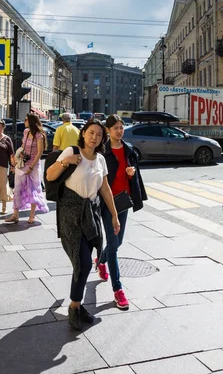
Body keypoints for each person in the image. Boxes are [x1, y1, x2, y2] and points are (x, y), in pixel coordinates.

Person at [46, 119, 120, 331]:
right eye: (91, 133)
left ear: (102, 138)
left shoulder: (100, 160)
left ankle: (77, 306)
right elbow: (50, 176)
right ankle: (74, 306)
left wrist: (114, 216)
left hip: (90, 214)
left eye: (98, 134)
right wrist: (66, 161)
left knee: (84, 262)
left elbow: (105, 189)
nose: (94, 137)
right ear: (83, 133)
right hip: (70, 214)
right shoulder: (71, 151)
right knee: (84, 263)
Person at [96, 114, 147, 310]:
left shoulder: (129, 151)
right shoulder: (103, 153)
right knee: (114, 245)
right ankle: (118, 290)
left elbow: (136, 176)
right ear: (108, 130)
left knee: (117, 242)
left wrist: (132, 173)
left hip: (123, 202)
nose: (119, 130)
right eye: (115, 127)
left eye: (121, 127)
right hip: (108, 203)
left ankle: (101, 261)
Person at [5, 113, 48, 224]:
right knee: (17, 189)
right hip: (22, 164)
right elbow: (23, 147)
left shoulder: (39, 135)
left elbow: (40, 153)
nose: (24, 121)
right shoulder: (26, 132)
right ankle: (15, 215)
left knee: (32, 189)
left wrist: (32, 167)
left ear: (31, 121)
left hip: (33, 166)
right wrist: (17, 158)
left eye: (26, 119)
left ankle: (32, 216)